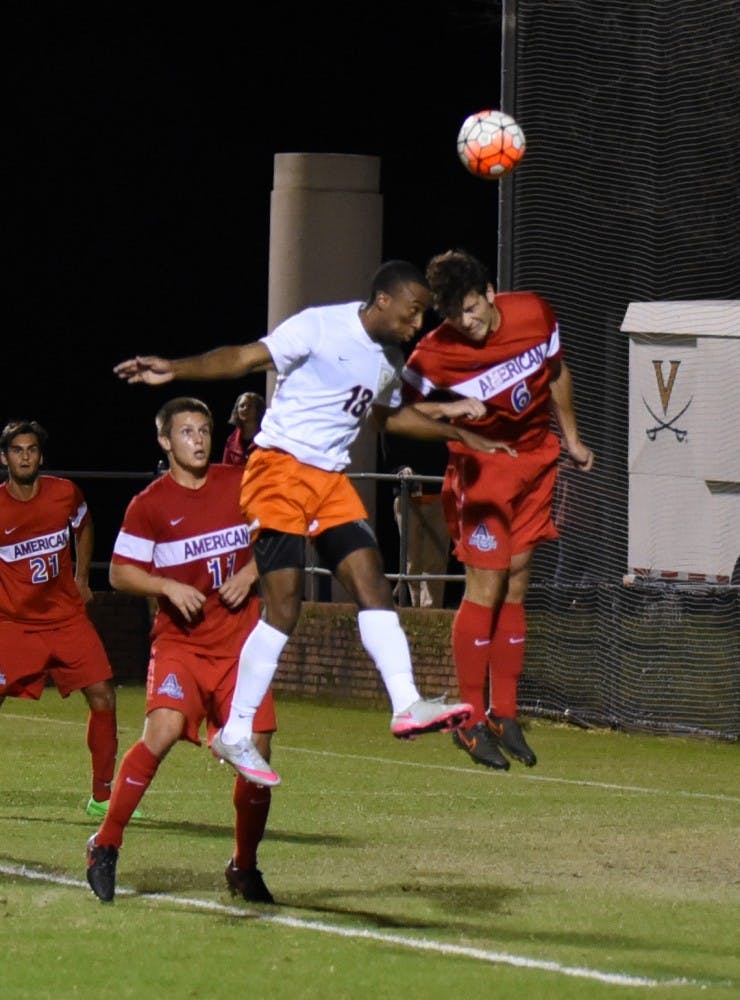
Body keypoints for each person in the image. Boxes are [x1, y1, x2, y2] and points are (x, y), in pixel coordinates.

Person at [114, 259, 516, 786]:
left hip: (328, 480)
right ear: (383, 301)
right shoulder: (320, 325)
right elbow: (242, 357)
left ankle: (406, 703)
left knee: (374, 584)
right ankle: (235, 729)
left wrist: (459, 432)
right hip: (278, 469)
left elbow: (386, 415)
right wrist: (178, 367)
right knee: (284, 605)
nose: (418, 324)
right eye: (413, 312)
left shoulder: (389, 358)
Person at [402, 249, 595, 770]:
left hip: (535, 460)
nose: (466, 323)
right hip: (483, 467)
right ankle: (466, 721)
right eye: (454, 316)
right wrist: (450, 415)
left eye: (470, 308)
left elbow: (556, 375)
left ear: (489, 293)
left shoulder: (534, 313)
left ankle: (503, 714)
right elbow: (396, 412)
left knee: (516, 582)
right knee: (484, 588)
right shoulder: (434, 352)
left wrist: (572, 439)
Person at [85, 397, 277, 904]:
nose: (197, 439)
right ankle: (104, 844)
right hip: (182, 646)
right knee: (164, 729)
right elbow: (119, 573)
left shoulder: (237, 484)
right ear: (165, 441)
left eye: (204, 430)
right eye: (186, 431)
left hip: (242, 648)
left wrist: (250, 572)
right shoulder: (149, 504)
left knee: (257, 757)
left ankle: (244, 865)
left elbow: (278, 538)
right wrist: (167, 588)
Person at [0, 419, 119, 816]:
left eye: (31, 449)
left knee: (103, 695)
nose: (25, 456)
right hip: (14, 623)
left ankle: (103, 797)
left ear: (41, 456)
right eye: (17, 450)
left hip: (67, 618)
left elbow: (84, 527)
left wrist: (83, 575)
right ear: (5, 458)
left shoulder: (65, 492)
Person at [391, 466, 450, 608]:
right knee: (411, 560)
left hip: (440, 495)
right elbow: (389, 458)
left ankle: (431, 614)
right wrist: (401, 469)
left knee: (436, 560)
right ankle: (414, 611)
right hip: (407, 497)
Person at [222, 391, 266, 465]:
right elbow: (225, 469)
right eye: (242, 406)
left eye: (250, 406)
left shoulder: (266, 438)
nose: (245, 409)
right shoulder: (231, 440)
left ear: (258, 410)